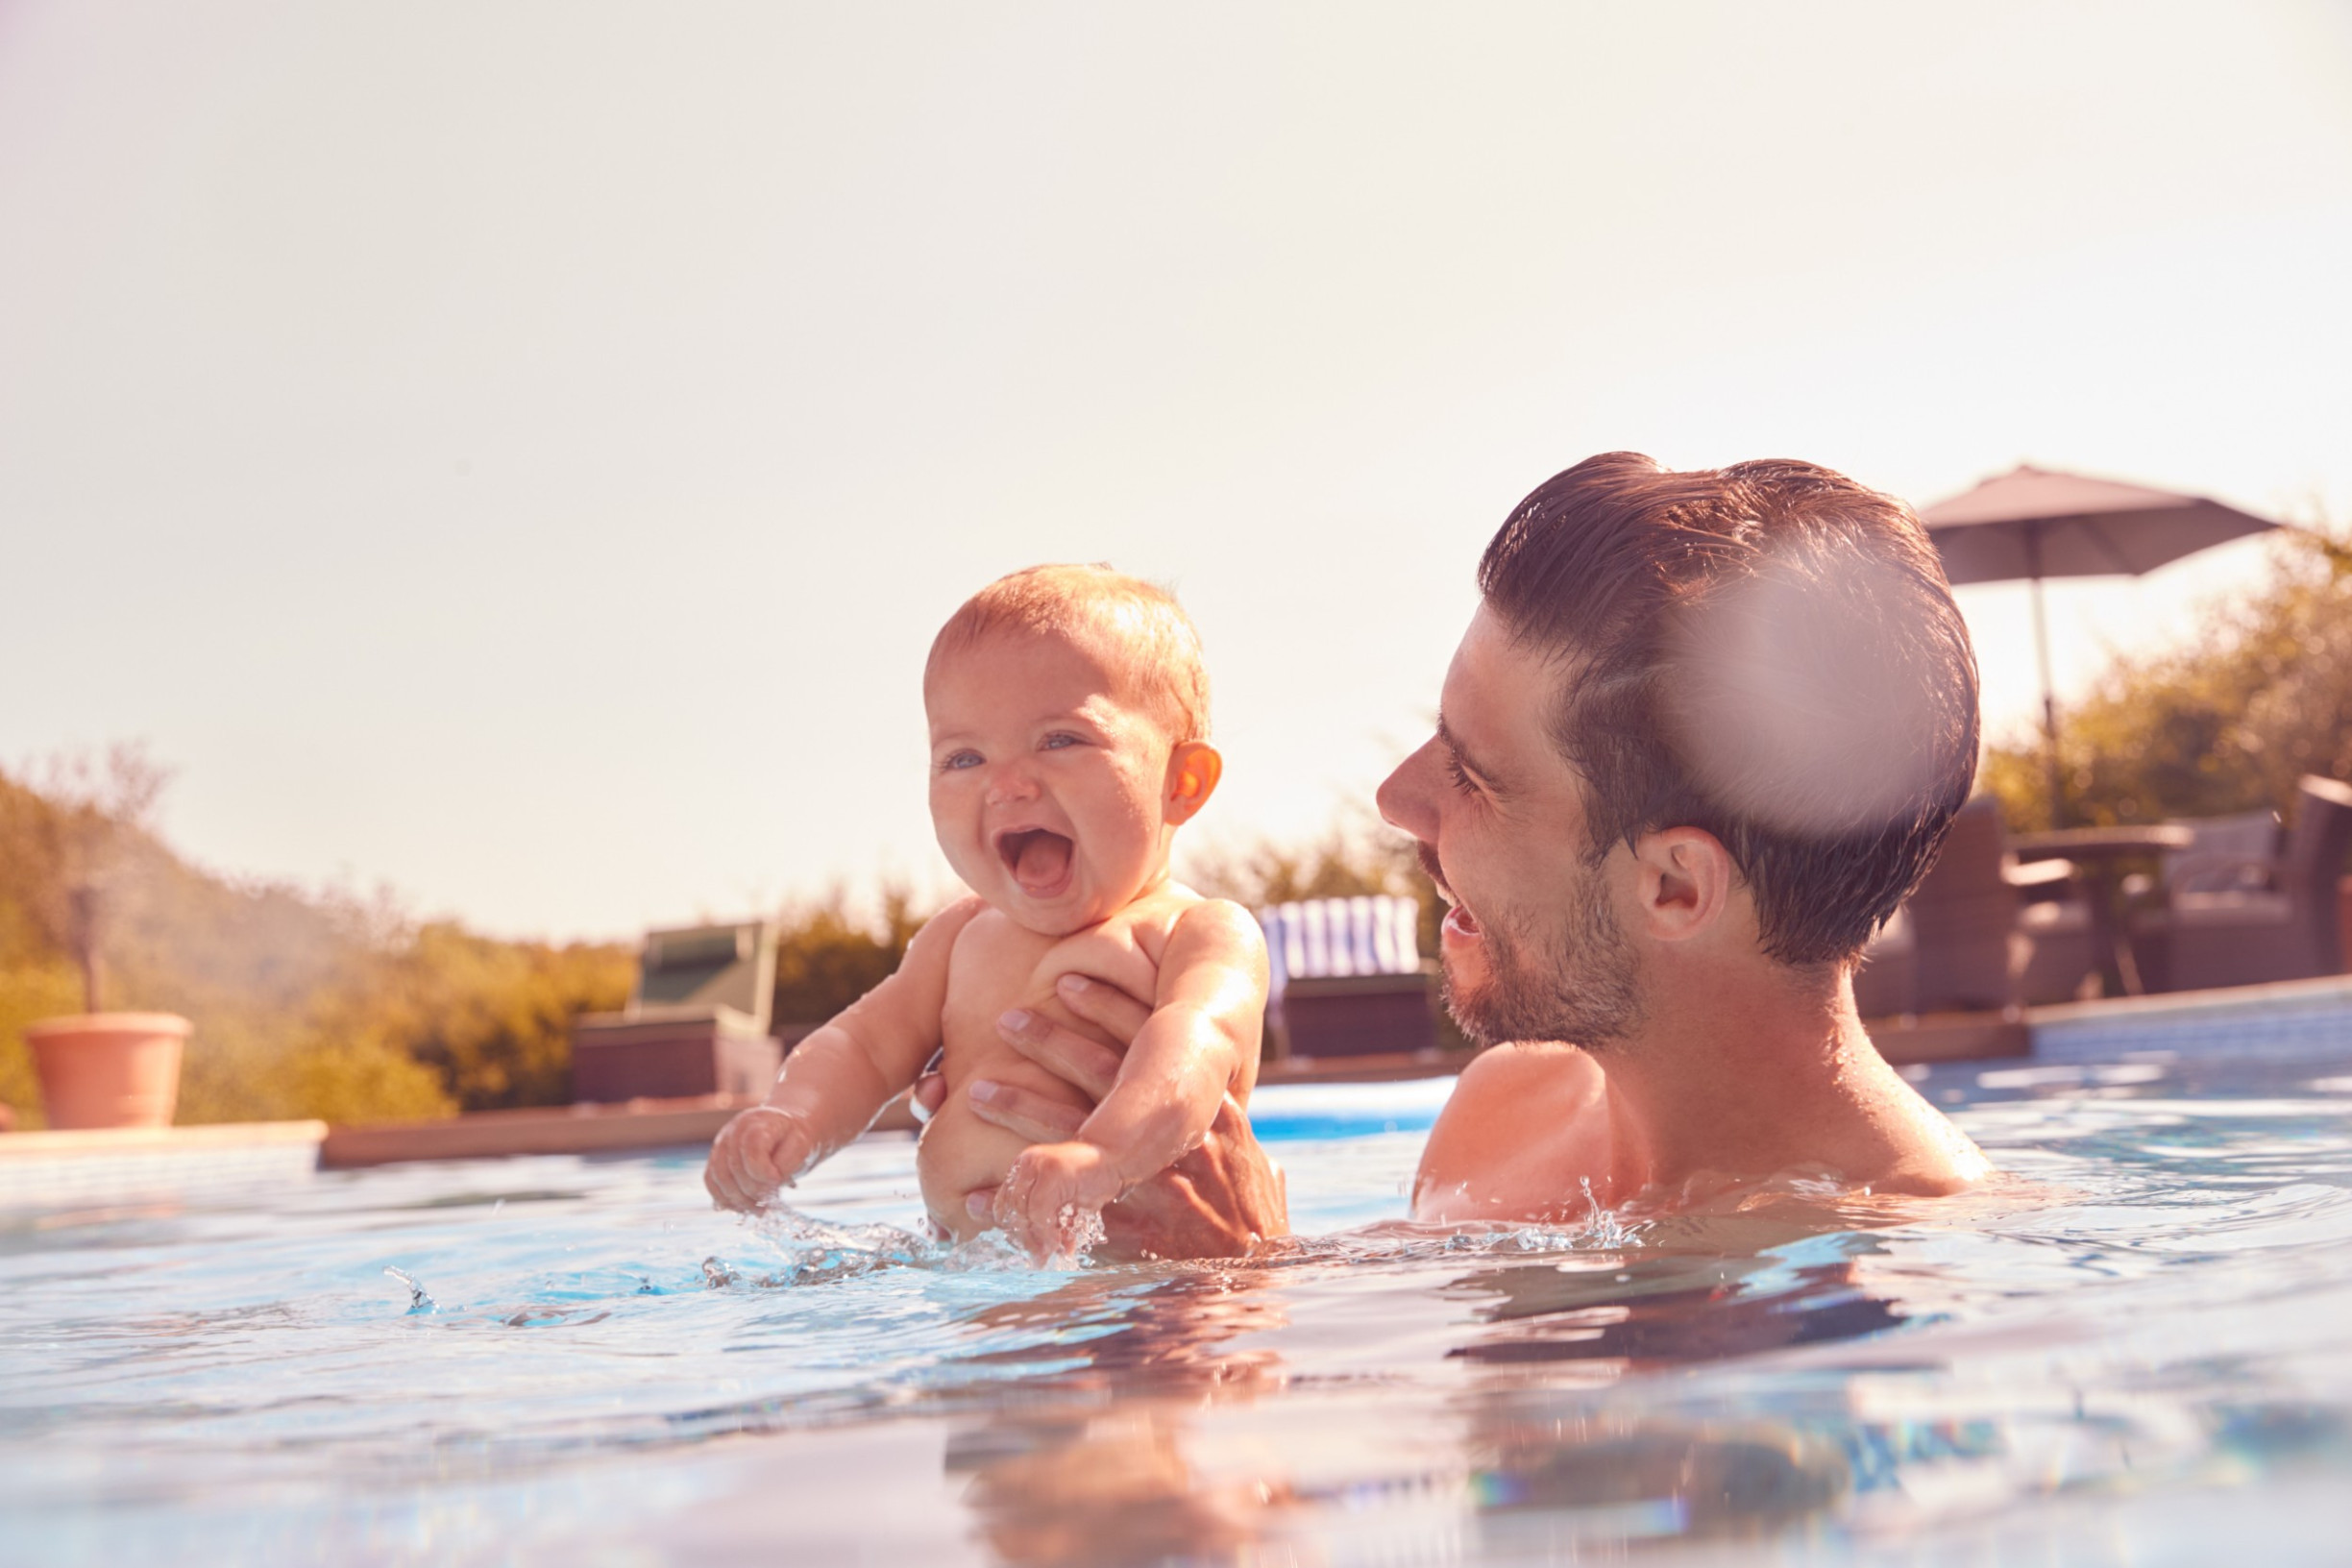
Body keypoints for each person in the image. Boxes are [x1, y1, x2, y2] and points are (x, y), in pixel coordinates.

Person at [935, 453, 1992, 1256]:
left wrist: (1245, 1286)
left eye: (1474, 775)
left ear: (1673, 886)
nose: (1399, 802)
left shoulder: (1890, 1256)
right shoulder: (1504, 1113)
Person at [701, 564, 1269, 1261]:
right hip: (971, 1281)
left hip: (1151, 1293)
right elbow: (863, 1044)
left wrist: (1105, 1159)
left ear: (1182, 781)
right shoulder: (957, 936)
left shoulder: (1199, 933)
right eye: (963, 757)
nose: (1007, 785)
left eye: (1061, 740)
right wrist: (793, 1118)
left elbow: (1197, 1046)